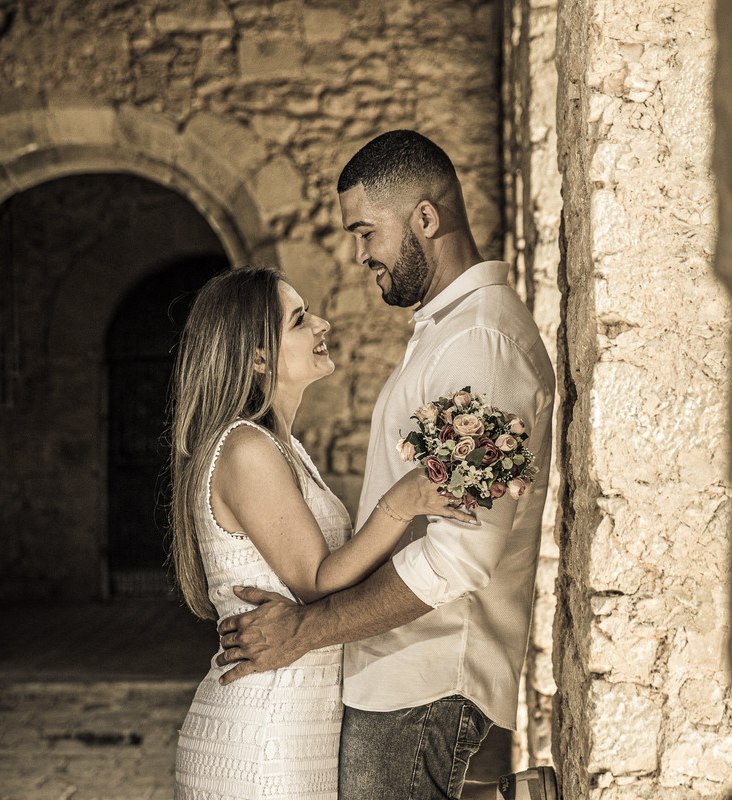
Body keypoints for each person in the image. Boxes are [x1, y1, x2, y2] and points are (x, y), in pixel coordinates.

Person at [214, 131, 561, 800]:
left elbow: (461, 555)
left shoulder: (480, 342)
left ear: (425, 218)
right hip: (397, 666)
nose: (358, 254)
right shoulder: (448, 331)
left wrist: (305, 631)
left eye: (366, 232)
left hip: (425, 672)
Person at [169, 265, 479, 799]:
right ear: (259, 357)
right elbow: (316, 583)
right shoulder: (246, 448)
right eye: (299, 319)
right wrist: (402, 502)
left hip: (296, 722)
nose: (323, 324)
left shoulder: (283, 448)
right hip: (264, 736)